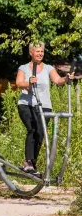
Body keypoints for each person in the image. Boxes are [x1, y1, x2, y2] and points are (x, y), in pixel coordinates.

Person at [16, 42, 74, 174]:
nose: (40, 54)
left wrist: (66, 78)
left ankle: (33, 163)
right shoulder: (24, 68)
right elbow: (19, 83)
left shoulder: (48, 68)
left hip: (44, 106)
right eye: (37, 51)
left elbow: (58, 80)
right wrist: (28, 82)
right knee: (32, 129)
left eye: (42, 51)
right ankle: (28, 161)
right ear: (31, 53)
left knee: (40, 133)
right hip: (27, 104)